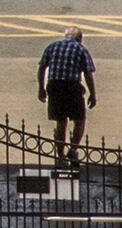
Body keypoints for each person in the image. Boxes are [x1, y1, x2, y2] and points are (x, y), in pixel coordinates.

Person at [37, 28, 96, 165]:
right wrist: (93, 94)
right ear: (79, 38)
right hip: (72, 87)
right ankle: (73, 149)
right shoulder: (81, 49)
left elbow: (42, 68)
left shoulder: (52, 46)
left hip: (54, 86)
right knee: (79, 120)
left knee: (61, 122)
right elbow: (88, 73)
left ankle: (60, 156)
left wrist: (41, 88)